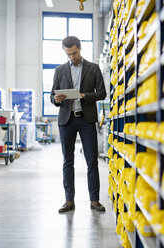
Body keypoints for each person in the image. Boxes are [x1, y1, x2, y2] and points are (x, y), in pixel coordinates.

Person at [50, 36, 106, 213]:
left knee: (92, 161)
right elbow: (52, 96)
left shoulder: (93, 69)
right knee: (68, 161)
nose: (72, 57)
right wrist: (56, 99)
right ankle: (69, 201)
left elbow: (102, 93)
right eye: (69, 54)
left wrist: (84, 96)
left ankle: (95, 200)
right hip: (67, 120)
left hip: (86, 119)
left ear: (80, 48)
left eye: (74, 53)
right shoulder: (59, 71)